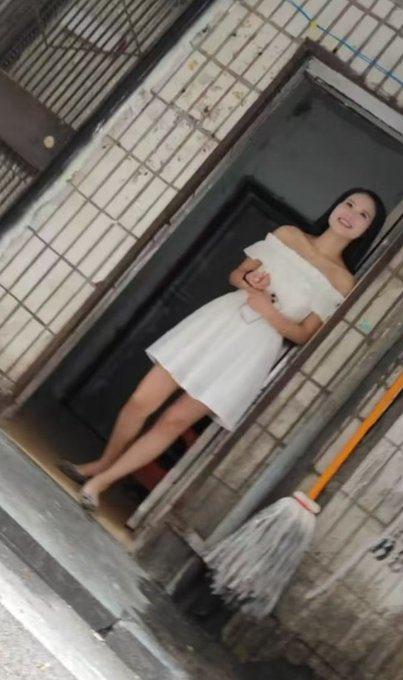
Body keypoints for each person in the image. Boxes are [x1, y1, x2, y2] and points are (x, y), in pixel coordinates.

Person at [59, 188, 386, 511]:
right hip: (220, 321)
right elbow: (237, 274)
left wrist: (268, 311)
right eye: (349, 204)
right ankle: (101, 464)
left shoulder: (343, 281)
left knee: (174, 422)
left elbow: (303, 334)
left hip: (253, 350)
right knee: (140, 401)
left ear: (367, 230)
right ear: (336, 205)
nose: (351, 215)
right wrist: (250, 283)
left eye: (363, 215)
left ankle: (99, 484)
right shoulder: (289, 235)